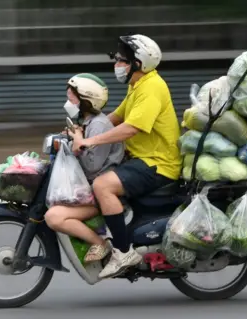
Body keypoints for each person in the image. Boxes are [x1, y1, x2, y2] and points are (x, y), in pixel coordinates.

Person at [72, 34, 183, 278]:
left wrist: (90, 141)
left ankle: (122, 252)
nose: (117, 64)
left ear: (138, 64)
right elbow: (115, 119)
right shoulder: (138, 86)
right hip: (141, 159)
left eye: (122, 60)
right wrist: (80, 131)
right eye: (118, 59)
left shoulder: (152, 87)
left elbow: (131, 128)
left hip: (158, 164)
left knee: (103, 185)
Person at [44, 73, 125, 263]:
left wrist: (76, 144)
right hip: (87, 191)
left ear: (86, 101)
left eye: (71, 97)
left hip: (98, 195)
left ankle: (102, 245)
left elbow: (92, 167)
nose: (68, 101)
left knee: (54, 217)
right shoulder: (86, 123)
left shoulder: (99, 126)